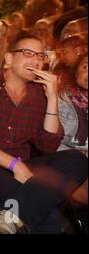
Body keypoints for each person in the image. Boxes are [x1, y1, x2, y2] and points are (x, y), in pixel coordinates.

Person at [0, 33, 88, 233]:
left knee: (78, 159)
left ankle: (4, 222)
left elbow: (48, 145)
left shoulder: (37, 96)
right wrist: (16, 165)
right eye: (28, 53)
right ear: (8, 59)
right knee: (47, 217)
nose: (36, 60)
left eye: (41, 56)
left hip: (17, 166)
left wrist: (51, 97)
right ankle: (5, 221)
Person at [57, 54, 88, 206]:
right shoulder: (61, 98)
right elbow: (50, 140)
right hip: (65, 160)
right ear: (76, 72)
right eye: (86, 67)